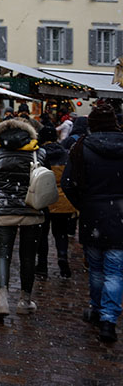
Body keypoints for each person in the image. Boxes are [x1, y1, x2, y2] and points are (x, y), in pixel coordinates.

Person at [61, 106, 123, 343]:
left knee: (96, 269)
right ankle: (109, 320)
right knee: (115, 272)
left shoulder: (81, 147)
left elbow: (67, 183)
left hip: (92, 215)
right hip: (120, 215)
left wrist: (83, 204)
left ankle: (97, 310)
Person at [0, 117, 46, 319]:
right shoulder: (39, 152)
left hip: (4, 209)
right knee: (28, 256)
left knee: (3, 254)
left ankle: (1, 299)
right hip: (32, 209)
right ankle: (25, 300)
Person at [36, 125, 74, 280]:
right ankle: (63, 258)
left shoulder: (39, 155)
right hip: (62, 201)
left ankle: (42, 266)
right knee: (61, 232)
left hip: (44, 199)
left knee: (42, 234)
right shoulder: (65, 154)